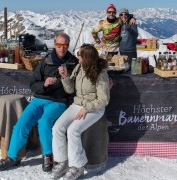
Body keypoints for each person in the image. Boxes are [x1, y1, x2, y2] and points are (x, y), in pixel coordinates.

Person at [0, 33, 78, 172]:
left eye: (65, 45)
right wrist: (44, 84)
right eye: (59, 45)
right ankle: (12, 157)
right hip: (40, 98)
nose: (62, 48)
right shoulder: (45, 61)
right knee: (21, 124)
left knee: (44, 123)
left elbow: (77, 83)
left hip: (58, 101)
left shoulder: (73, 62)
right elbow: (33, 83)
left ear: (68, 45)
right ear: (55, 45)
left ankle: (48, 155)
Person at [50, 44, 110, 180]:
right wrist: (65, 77)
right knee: (57, 128)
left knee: (73, 131)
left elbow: (104, 100)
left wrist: (87, 108)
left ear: (86, 58)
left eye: (79, 55)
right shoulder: (79, 67)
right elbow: (70, 90)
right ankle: (62, 160)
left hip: (94, 108)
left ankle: (77, 166)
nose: (77, 57)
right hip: (77, 104)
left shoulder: (101, 73)